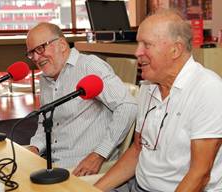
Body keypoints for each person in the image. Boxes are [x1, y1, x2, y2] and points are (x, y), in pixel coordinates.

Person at [94, 9, 222, 192]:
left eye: (146, 44)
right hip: (139, 186)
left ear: (175, 50)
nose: (137, 52)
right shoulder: (148, 86)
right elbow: (138, 150)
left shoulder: (208, 89)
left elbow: (200, 174)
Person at [25, 22, 137, 176]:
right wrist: (35, 147)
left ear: (62, 45)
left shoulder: (89, 66)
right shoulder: (46, 77)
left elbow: (128, 106)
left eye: (40, 48)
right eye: (31, 53)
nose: (36, 57)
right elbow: (45, 122)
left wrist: (99, 154)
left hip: (80, 170)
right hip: (50, 163)